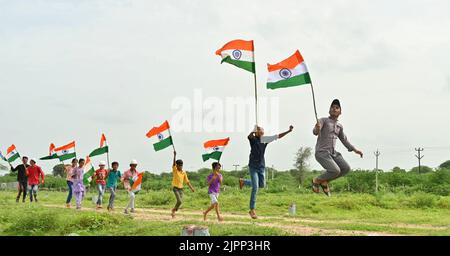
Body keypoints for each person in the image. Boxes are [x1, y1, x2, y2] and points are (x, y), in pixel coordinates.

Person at [239, 125, 294, 219]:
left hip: (261, 167)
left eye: (263, 130)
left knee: (261, 185)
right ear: (256, 132)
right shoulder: (253, 139)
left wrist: (288, 131)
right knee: (255, 187)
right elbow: (249, 136)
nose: (262, 132)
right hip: (253, 166)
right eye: (260, 130)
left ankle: (244, 182)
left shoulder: (265, 139)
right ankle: (252, 210)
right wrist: (253, 130)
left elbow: (278, 136)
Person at [312, 99, 363, 196]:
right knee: (335, 170)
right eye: (332, 107)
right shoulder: (323, 120)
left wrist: (355, 150)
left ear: (340, 112)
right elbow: (315, 132)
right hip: (322, 153)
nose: (334, 109)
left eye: (337, 108)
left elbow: (344, 140)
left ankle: (324, 181)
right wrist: (317, 128)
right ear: (329, 111)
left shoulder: (339, 126)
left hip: (333, 153)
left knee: (346, 168)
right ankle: (317, 180)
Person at [171, 151, 195, 219]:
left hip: (181, 189)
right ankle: (173, 212)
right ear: (177, 165)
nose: (181, 166)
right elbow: (173, 164)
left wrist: (192, 188)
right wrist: (174, 155)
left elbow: (187, 181)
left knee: (180, 202)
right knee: (179, 201)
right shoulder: (175, 170)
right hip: (175, 188)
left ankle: (173, 210)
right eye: (179, 165)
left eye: (182, 165)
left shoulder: (184, 172)